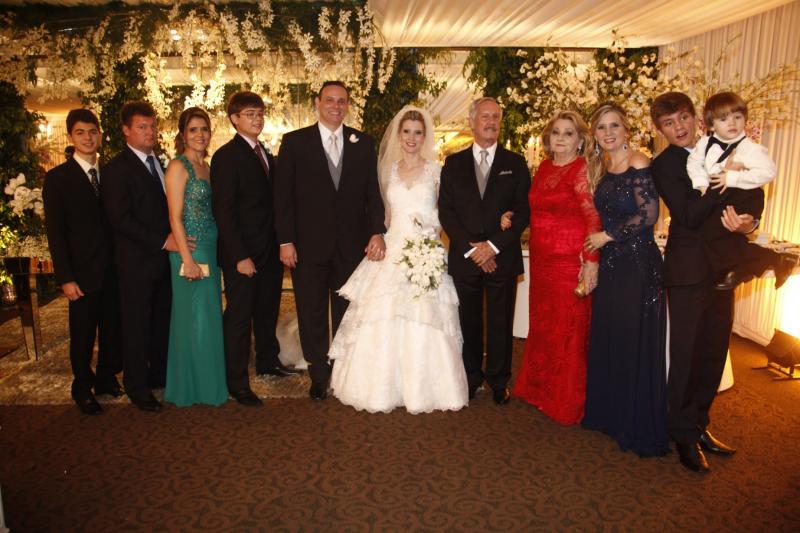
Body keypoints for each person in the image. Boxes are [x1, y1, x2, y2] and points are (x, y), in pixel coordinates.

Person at [328, 106, 468, 413]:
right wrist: (377, 236)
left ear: (425, 137)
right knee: (381, 315)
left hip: (425, 249)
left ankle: (424, 388)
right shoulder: (388, 172)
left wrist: (429, 242)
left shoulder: (436, 172)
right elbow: (384, 216)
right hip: (392, 249)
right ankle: (380, 388)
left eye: (418, 133)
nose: (412, 138)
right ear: (398, 135)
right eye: (407, 132)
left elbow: (446, 213)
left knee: (425, 316)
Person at [651, 91, 749, 473]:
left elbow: (748, 194)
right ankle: (681, 434)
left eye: (683, 118)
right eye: (669, 123)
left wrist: (749, 220)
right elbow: (689, 215)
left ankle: (699, 424)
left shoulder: (721, 147)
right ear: (660, 130)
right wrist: (724, 179)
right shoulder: (665, 165)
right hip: (688, 272)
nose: (679, 128)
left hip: (723, 268)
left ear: (696, 118)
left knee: (713, 353)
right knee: (687, 356)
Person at [274, 81, 386, 400]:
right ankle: (318, 373)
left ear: (348, 105)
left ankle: (342, 367)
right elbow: (282, 197)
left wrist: (377, 230)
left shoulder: (363, 143)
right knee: (310, 310)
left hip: (352, 245)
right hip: (307, 245)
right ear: (318, 102)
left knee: (346, 309)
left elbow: (372, 193)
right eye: (330, 100)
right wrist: (285, 240)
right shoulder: (295, 142)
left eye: (342, 101)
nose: (336, 106)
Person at [581, 102, 669, 457]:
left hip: (637, 264)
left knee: (633, 340)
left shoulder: (639, 161)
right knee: (613, 336)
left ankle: (635, 422)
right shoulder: (602, 167)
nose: (608, 133)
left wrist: (607, 236)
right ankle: (611, 415)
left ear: (626, 129)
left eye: (614, 125)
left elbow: (649, 214)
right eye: (601, 127)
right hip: (613, 264)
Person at [438, 97, 531, 405]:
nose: (491, 122)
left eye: (496, 117)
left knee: (501, 322)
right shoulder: (453, 164)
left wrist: (492, 247)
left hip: (502, 257)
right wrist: (474, 250)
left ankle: (499, 380)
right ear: (472, 122)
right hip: (465, 258)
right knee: (469, 321)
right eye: (485, 116)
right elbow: (447, 212)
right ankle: (471, 377)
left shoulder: (515, 163)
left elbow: (523, 211)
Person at [510, 110, 601, 424]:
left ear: (580, 140)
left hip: (567, 263)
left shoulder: (580, 169)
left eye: (568, 133)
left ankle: (564, 400)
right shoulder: (545, 167)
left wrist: (590, 263)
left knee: (567, 331)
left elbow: (593, 218)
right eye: (556, 132)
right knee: (544, 326)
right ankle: (540, 391)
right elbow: (536, 208)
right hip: (542, 261)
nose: (561, 138)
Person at [211, 92, 297, 407]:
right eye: (249, 114)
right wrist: (239, 256)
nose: (257, 119)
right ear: (234, 119)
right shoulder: (226, 156)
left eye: (260, 113)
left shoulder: (265, 153)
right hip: (243, 254)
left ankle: (267, 361)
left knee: (266, 310)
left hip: (269, 251)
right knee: (239, 317)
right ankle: (236, 381)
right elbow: (224, 212)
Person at [43, 109, 122, 415]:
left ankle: (106, 378)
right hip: (82, 272)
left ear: (100, 135)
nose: (88, 138)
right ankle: (82, 387)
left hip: (114, 269)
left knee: (112, 329)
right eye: (80, 132)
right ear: (70, 137)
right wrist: (65, 277)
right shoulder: (58, 179)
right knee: (83, 334)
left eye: (92, 132)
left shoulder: (111, 172)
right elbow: (56, 233)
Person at [103, 101, 178, 412]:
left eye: (152, 126)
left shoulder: (159, 162)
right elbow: (120, 219)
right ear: (126, 130)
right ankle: (137, 386)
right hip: (135, 264)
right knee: (136, 327)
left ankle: (158, 375)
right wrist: (162, 240)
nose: (150, 132)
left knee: (161, 321)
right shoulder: (116, 169)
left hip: (163, 262)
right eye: (142, 127)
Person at [686, 91, 795, 290]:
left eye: (737, 117)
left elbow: (769, 172)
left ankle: (742, 268)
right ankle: (770, 261)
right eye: (724, 119)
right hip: (722, 193)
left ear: (745, 119)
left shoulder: (750, 148)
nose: (732, 123)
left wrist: (732, 177)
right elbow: (693, 164)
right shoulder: (704, 143)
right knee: (713, 233)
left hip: (746, 194)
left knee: (714, 231)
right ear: (711, 125)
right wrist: (702, 185)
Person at [163, 107, 227, 407]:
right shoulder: (179, 166)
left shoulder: (207, 167)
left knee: (209, 316)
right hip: (191, 249)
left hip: (210, 248)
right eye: (193, 130)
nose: (200, 135)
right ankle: (191, 387)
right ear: (182, 135)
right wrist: (187, 259)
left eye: (204, 129)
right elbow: (174, 217)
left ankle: (207, 383)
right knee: (193, 318)